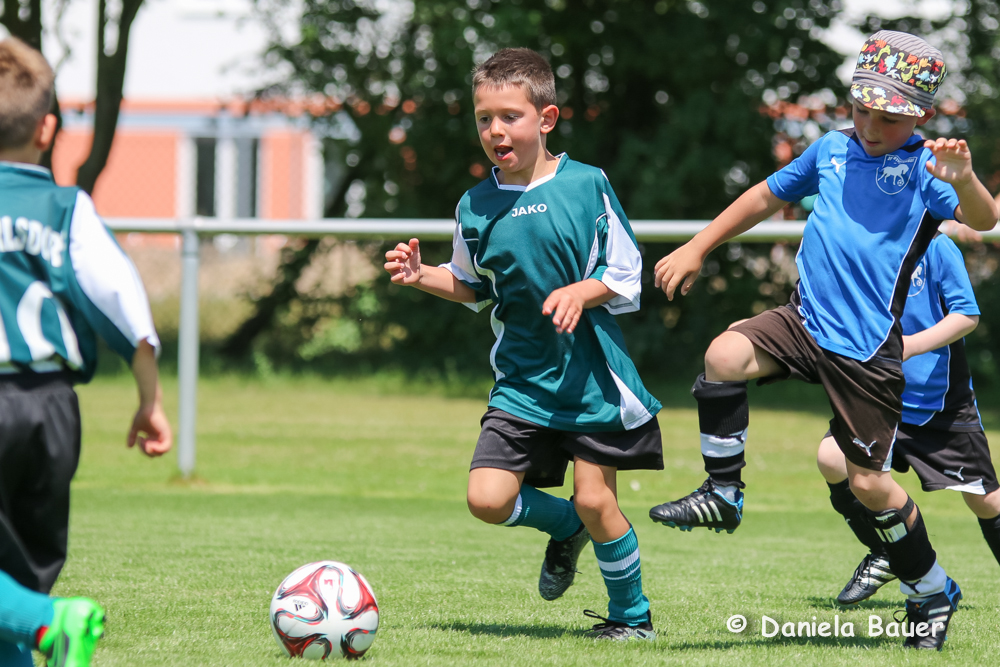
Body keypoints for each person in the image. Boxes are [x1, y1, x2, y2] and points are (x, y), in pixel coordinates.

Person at [646, 31, 998, 650]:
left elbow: (984, 218)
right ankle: (724, 492)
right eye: (861, 108)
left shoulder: (924, 170)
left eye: (886, 116)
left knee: (868, 483)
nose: (868, 124)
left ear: (918, 115)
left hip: (865, 351)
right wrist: (698, 245)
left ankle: (930, 590)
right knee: (723, 354)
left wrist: (965, 178)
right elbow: (763, 196)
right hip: (806, 320)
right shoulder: (830, 149)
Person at [383, 48, 661, 641]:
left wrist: (580, 294)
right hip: (521, 383)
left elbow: (626, 271)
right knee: (486, 498)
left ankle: (631, 620)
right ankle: (564, 529)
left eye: (509, 116)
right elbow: (469, 285)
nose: (495, 130)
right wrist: (420, 275)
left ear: (547, 118)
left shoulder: (587, 185)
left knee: (597, 500)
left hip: (589, 380)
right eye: (484, 118)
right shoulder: (475, 206)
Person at [0, 37, 172, 666]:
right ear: (47, 129)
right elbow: (124, 303)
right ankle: (42, 624)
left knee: (25, 606)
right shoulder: (65, 207)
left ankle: (52, 624)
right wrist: (149, 400)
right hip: (51, 410)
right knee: (13, 579)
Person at [818, 231, 1000, 604]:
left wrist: (909, 346)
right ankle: (888, 551)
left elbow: (966, 315)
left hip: (939, 404)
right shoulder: (858, 245)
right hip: (876, 395)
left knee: (985, 501)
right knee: (832, 459)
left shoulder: (936, 246)